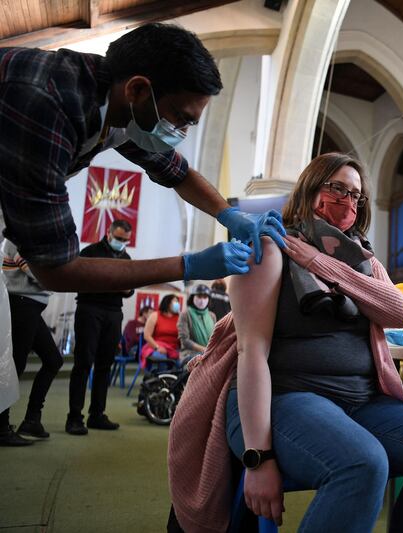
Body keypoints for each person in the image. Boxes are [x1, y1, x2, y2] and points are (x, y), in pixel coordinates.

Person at [168, 153, 403, 533]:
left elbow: (399, 312)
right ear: (312, 188)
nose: (348, 202)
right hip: (285, 397)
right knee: (363, 463)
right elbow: (251, 355)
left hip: (360, 401)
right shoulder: (271, 247)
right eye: (337, 189)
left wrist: (319, 262)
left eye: (356, 196)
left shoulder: (361, 258)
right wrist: (259, 458)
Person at [0, 23, 286, 414]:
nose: (182, 131)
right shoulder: (46, 102)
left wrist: (230, 214)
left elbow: (178, 173)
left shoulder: (122, 109)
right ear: (137, 89)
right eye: (181, 118)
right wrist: (188, 265)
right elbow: (56, 270)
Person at [66, 220, 135, 435]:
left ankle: (97, 414)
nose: (121, 242)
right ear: (109, 233)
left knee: (105, 365)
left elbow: (131, 288)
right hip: (90, 308)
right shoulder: (90, 252)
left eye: (125, 240)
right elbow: (75, 279)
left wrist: (126, 289)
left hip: (114, 312)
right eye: (119, 238)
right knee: (83, 363)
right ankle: (75, 417)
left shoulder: (126, 258)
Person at [0, 240, 64, 446]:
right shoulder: (16, 240)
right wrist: (60, 278)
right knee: (14, 365)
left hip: (31, 306)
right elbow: (39, 275)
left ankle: (31, 420)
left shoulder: (30, 240)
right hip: (21, 303)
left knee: (53, 360)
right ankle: (1, 428)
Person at [177, 284, 216, 363]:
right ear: (192, 297)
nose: (202, 300)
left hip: (208, 353)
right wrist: (204, 350)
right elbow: (185, 340)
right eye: (199, 296)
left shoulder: (212, 316)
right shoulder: (185, 314)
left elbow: (215, 337)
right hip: (189, 354)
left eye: (205, 297)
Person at [141, 294, 182, 365]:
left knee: (183, 363)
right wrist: (157, 347)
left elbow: (183, 337)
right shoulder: (155, 315)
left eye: (177, 302)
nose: (177, 304)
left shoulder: (180, 318)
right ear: (167, 303)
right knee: (161, 358)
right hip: (156, 346)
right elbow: (146, 336)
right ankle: (161, 376)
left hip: (174, 349)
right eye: (175, 302)